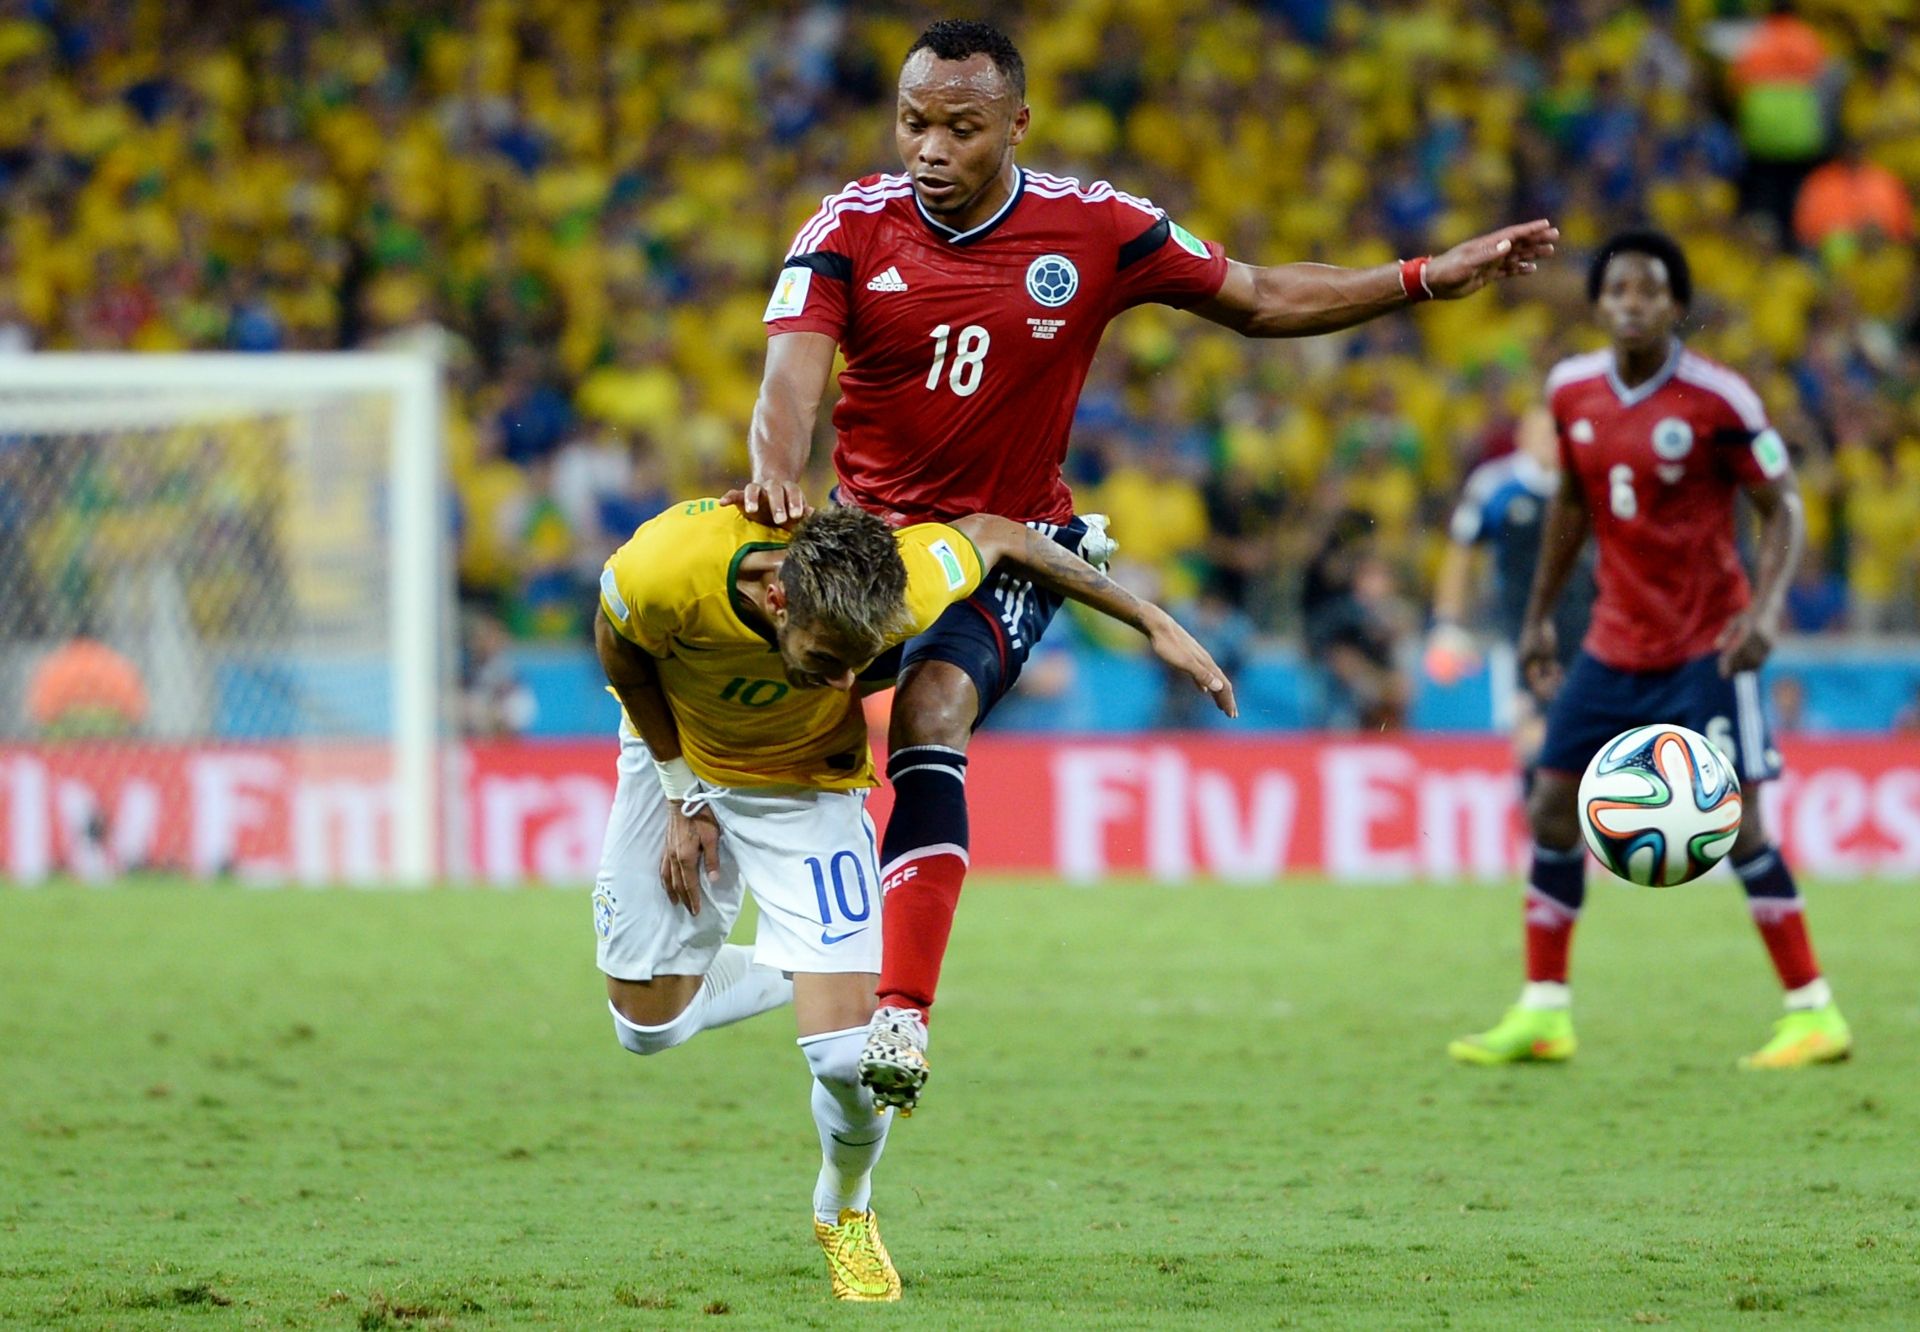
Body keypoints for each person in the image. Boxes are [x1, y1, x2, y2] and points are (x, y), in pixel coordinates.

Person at [735, 17, 1558, 1109]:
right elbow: (788, 385)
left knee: (934, 712)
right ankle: (731, 898)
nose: (929, 148)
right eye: (912, 122)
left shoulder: (1094, 226)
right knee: (779, 725)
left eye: (960, 128)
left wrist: (1420, 277)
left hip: (1013, 548)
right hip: (871, 549)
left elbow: (1258, 298)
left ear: (1016, 125)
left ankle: (903, 1015)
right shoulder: (850, 225)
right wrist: (776, 475)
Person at [592, 499, 1232, 1302]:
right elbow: (618, 644)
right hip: (677, 759)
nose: (843, 683)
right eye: (828, 659)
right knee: (646, 1027)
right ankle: (811, 967)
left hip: (807, 790)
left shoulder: (909, 576)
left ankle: (843, 1208)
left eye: (858, 664)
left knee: (849, 1061)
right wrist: (679, 790)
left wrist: (1150, 619)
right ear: (778, 599)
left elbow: (1001, 534)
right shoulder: (667, 565)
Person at [1449, 230, 1850, 1072]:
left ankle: (1813, 1010)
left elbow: (1784, 505)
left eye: (1650, 290)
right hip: (1613, 641)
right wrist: (1538, 618)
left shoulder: (1719, 399)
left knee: (1739, 824)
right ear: (1599, 305)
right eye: (1619, 290)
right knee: (1552, 806)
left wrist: (1765, 612)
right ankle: (1544, 1011)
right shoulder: (1571, 391)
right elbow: (1572, 505)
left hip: (1710, 643)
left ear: (1676, 306)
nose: (1633, 303)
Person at [1426, 404, 1597, 768]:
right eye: (1541, 434)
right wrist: (1447, 622)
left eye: (1557, 434)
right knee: (1530, 739)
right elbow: (1461, 555)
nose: (1550, 442)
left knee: (1586, 736)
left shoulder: (1588, 482)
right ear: (1521, 438)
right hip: (1519, 631)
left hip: (1583, 627)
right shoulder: (1495, 484)